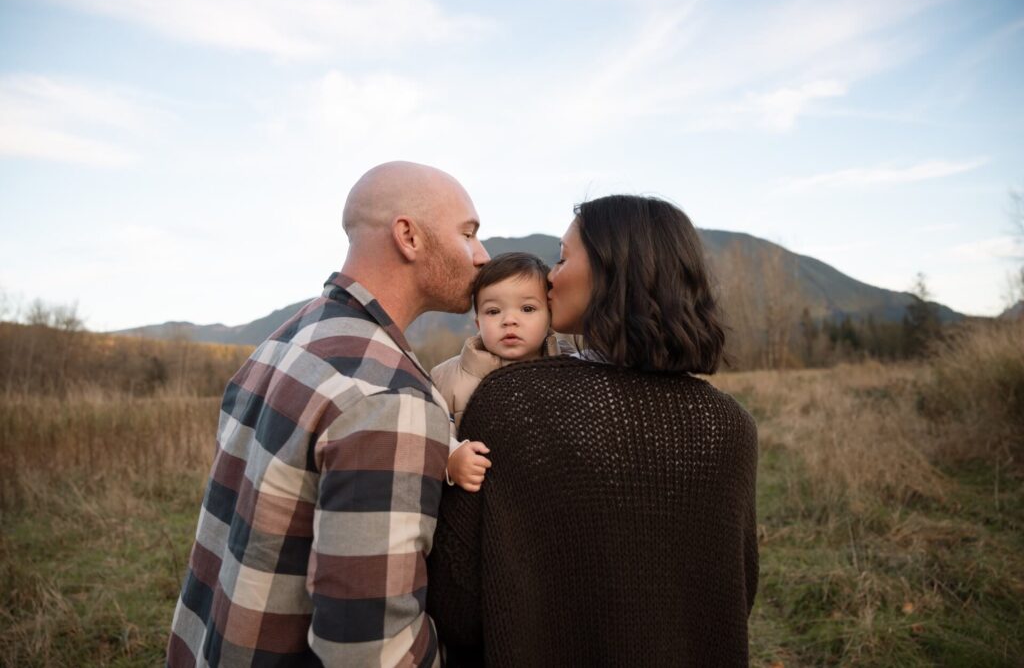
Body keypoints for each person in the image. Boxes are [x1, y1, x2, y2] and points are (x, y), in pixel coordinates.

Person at [167, 161, 490, 667]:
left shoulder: (283, 342)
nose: (482, 256)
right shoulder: (388, 395)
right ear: (409, 236)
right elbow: (369, 652)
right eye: (468, 233)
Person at [426, 195, 759, 666]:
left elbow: (457, 601)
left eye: (562, 258)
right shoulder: (731, 427)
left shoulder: (510, 402)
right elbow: (734, 596)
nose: (550, 277)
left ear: (611, 271)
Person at [432, 252, 570, 492]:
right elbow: (428, 435)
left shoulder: (571, 369)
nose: (509, 320)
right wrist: (451, 457)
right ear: (478, 323)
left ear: (549, 316)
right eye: (493, 311)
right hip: (481, 501)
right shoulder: (446, 377)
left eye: (527, 308)